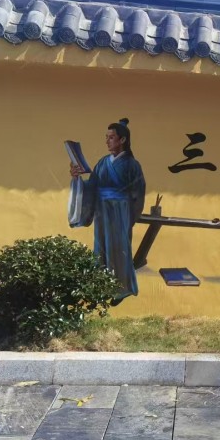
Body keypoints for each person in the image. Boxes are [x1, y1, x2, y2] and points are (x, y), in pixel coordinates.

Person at [70, 118, 146, 304]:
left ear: (122, 140)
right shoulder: (103, 162)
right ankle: (101, 287)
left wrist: (130, 217)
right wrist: (77, 178)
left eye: (111, 137)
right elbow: (92, 187)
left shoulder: (132, 165)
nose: (107, 141)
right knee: (101, 248)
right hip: (102, 211)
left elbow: (138, 193)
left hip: (121, 212)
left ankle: (122, 290)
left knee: (119, 250)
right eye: (106, 137)